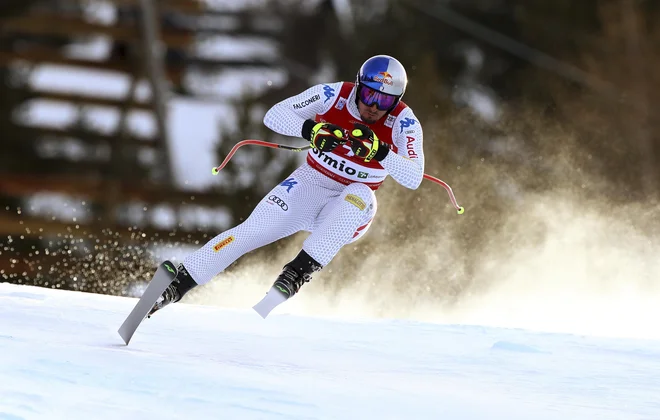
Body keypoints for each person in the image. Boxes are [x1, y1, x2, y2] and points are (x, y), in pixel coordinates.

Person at [148, 54, 425, 316]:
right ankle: (177, 285)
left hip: (348, 210)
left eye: (384, 101)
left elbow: (414, 177)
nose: (374, 106)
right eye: (368, 95)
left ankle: (295, 274)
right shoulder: (333, 95)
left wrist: (381, 153)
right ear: (358, 86)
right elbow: (274, 115)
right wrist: (311, 130)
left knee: (359, 194)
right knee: (249, 231)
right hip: (310, 184)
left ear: (396, 101)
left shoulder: (404, 121)